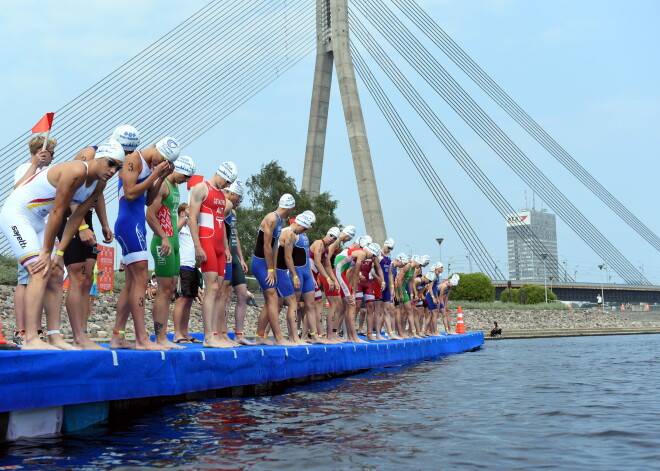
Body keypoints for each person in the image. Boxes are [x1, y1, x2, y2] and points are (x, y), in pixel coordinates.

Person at [0, 139, 125, 350]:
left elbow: (76, 218)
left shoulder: (99, 183)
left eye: (118, 167)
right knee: (39, 270)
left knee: (56, 274)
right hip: (17, 214)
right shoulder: (76, 170)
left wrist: (59, 253)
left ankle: (54, 336)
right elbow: (58, 211)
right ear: (98, 157)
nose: (113, 170)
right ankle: (30, 338)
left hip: (38, 220)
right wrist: (47, 251)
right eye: (111, 163)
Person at [61, 125, 138, 350]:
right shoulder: (90, 155)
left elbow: (98, 193)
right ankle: (77, 336)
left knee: (88, 279)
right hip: (71, 213)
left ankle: (83, 333)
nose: (123, 157)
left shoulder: (110, 165)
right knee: (76, 276)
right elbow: (70, 195)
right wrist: (83, 225)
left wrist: (103, 224)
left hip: (87, 214)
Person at [112, 136, 180, 351]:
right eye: (164, 161)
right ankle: (142, 338)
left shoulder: (151, 167)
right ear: (159, 151)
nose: (163, 164)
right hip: (128, 223)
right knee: (141, 280)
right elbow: (131, 194)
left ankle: (118, 335)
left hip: (136, 224)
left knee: (132, 283)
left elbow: (149, 200)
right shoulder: (134, 158)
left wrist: (160, 176)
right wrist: (157, 173)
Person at [11, 135, 57, 346]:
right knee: (26, 278)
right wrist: (34, 165)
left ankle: (36, 328)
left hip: (43, 229)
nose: (53, 157)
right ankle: (22, 329)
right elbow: (17, 190)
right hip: (26, 226)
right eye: (50, 153)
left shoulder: (47, 172)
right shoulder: (24, 168)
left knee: (44, 277)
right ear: (41, 152)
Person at [188, 161, 238, 348]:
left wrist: (225, 248)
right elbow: (192, 218)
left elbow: (221, 224)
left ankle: (216, 334)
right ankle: (208, 336)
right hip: (206, 241)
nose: (227, 186)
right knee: (212, 290)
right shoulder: (202, 188)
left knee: (220, 291)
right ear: (221, 174)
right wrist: (197, 246)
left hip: (218, 245)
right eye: (227, 182)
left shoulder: (221, 196)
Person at [147, 155, 195, 349]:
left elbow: (171, 219)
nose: (186, 181)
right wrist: (165, 237)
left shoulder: (174, 188)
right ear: (179, 170)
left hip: (173, 242)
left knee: (171, 290)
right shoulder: (164, 184)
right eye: (186, 177)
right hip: (162, 242)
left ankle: (164, 336)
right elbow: (150, 215)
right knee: (163, 291)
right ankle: (160, 337)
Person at [251, 194, 297, 346]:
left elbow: (275, 247)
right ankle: (278, 337)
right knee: (273, 297)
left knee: (271, 299)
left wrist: (275, 268)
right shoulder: (271, 219)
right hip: (260, 263)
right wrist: (270, 269)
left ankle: (259, 336)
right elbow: (266, 246)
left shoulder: (280, 220)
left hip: (268, 263)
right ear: (290, 207)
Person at [275, 212, 316, 345]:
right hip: (284, 272)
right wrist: (294, 275)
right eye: (306, 227)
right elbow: (288, 257)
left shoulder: (295, 234)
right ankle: (291, 336)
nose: (306, 230)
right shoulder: (289, 233)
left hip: (293, 272)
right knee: (286, 304)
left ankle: (298, 336)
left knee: (280, 304)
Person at [220, 180, 252, 346]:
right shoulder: (224, 205)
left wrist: (241, 256)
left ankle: (238, 334)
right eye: (238, 200)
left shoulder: (233, 213)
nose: (238, 204)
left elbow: (235, 235)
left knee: (242, 294)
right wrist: (225, 251)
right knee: (225, 295)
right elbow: (218, 230)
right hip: (225, 255)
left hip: (234, 257)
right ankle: (222, 333)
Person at [333, 241, 381, 343]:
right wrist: (353, 292)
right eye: (373, 255)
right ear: (370, 252)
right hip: (339, 269)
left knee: (344, 306)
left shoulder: (360, 252)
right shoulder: (362, 254)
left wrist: (351, 290)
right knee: (351, 305)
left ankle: (337, 334)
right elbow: (355, 274)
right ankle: (353, 336)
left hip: (341, 268)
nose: (372, 258)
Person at [172, 203, 202, 343]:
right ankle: (177, 334)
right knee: (181, 299)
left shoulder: (191, 228)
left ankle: (185, 332)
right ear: (183, 212)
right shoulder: (179, 225)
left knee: (189, 300)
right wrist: (184, 218)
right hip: (181, 265)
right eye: (190, 209)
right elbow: (172, 233)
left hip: (192, 266)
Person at [309, 227, 341, 342]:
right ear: (327, 234)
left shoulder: (327, 249)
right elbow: (317, 263)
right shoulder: (319, 243)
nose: (332, 239)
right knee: (304, 306)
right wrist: (327, 279)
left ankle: (319, 334)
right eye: (331, 236)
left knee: (317, 304)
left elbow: (327, 266)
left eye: (335, 238)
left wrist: (335, 280)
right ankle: (313, 335)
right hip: (307, 275)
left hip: (312, 276)